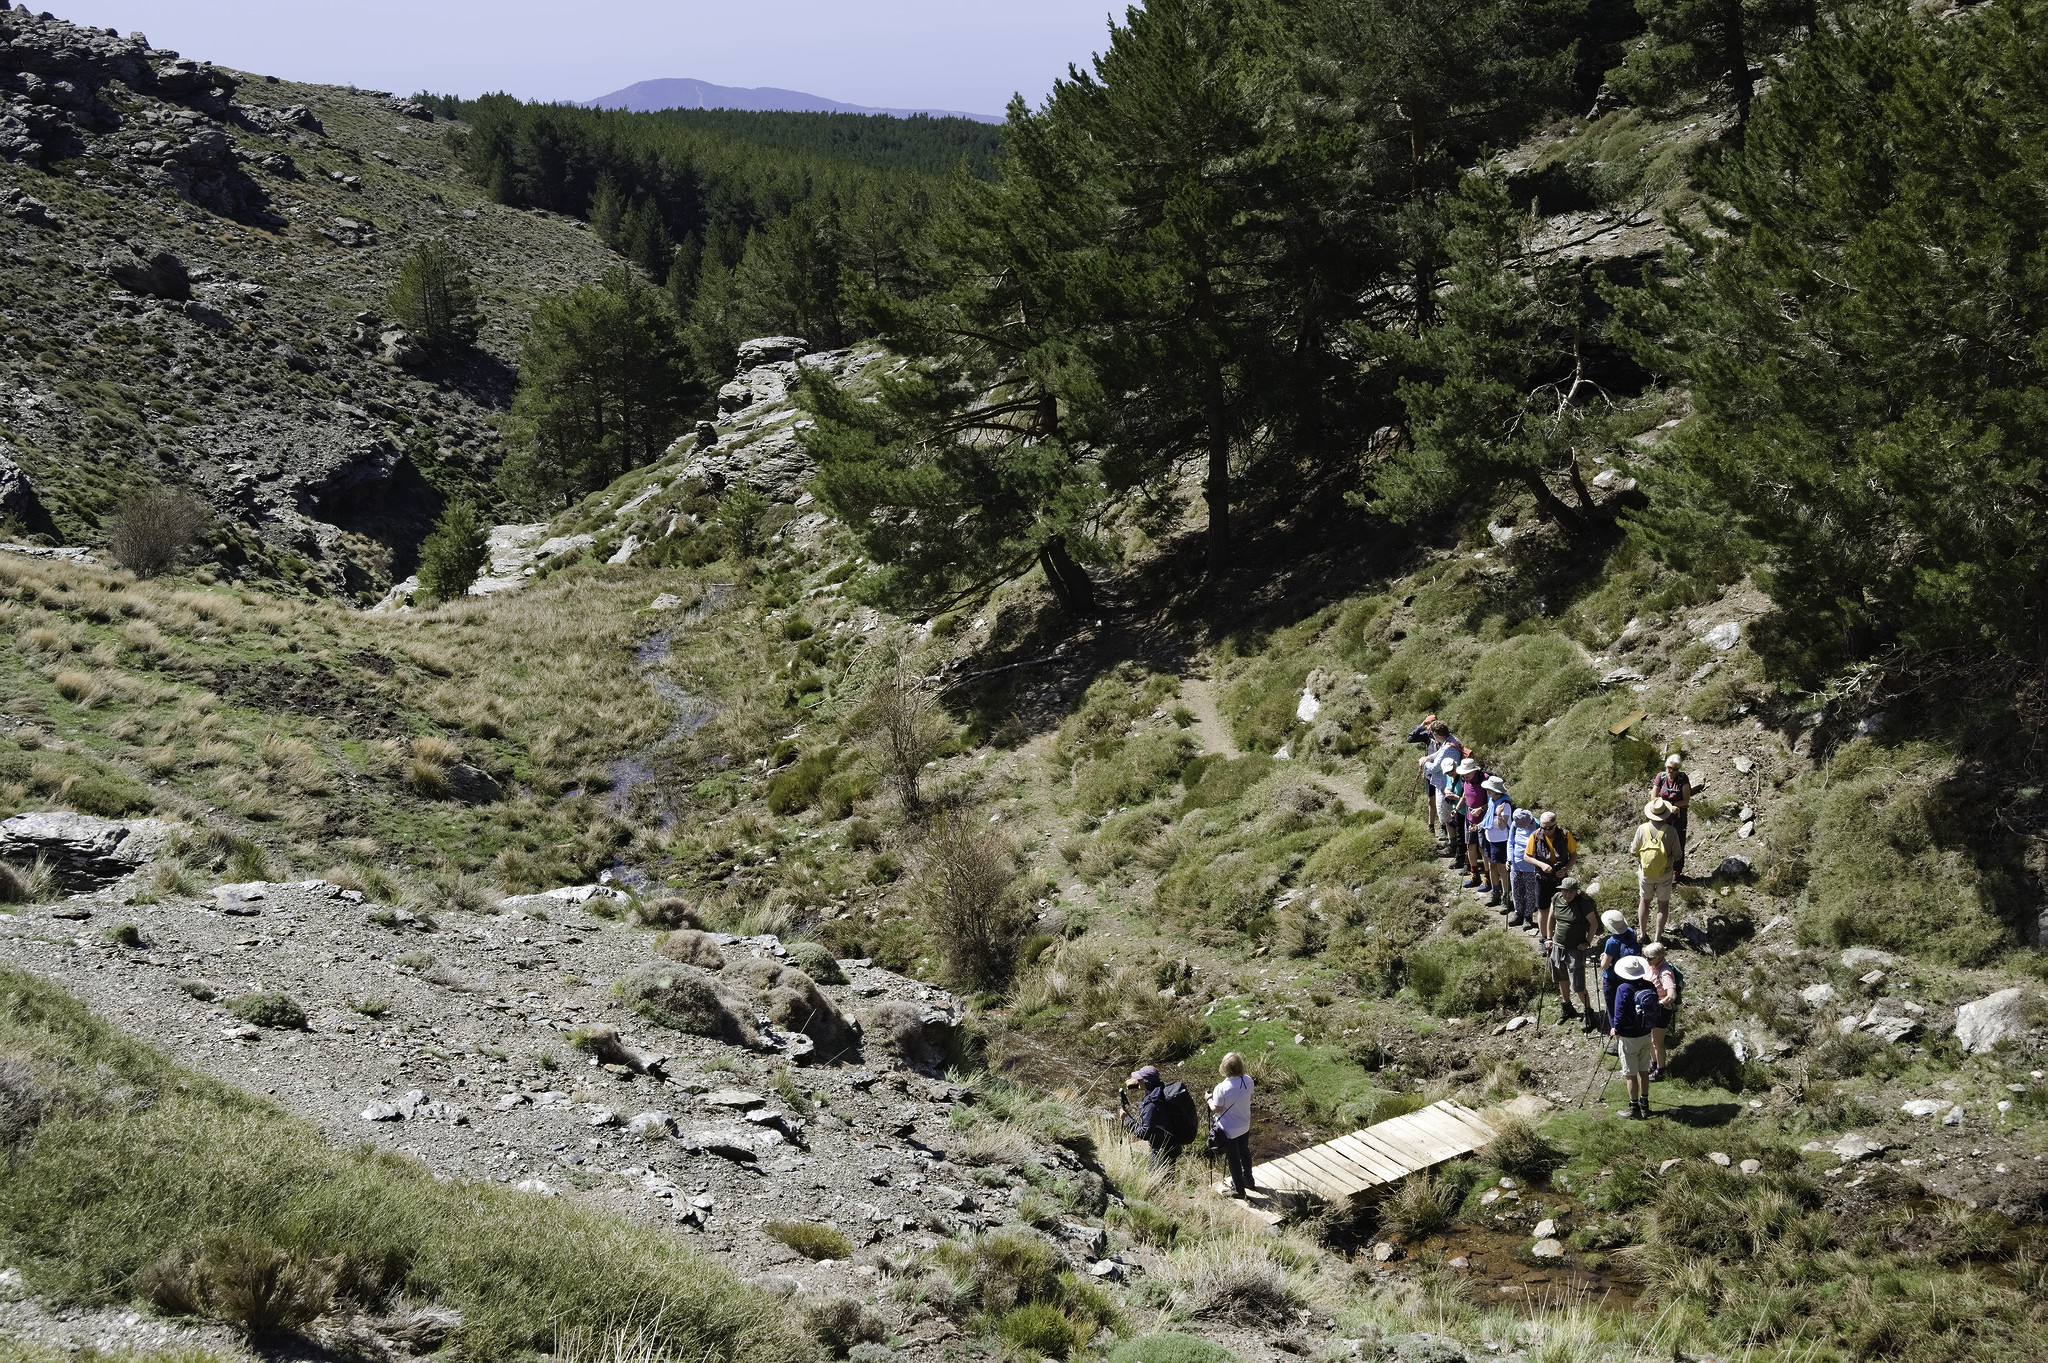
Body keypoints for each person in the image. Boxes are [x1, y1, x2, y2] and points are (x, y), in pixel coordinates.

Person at [1543, 876, 1598, 1028]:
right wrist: (1548, 938)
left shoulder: (1583, 904)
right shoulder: (1556, 898)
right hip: (1557, 945)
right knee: (1561, 977)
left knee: (1578, 983)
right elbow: (1551, 917)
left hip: (1575, 948)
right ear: (1561, 890)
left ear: (1576, 892)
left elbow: (1593, 924)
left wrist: (1587, 942)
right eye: (1565, 891)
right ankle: (1567, 1007)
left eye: (1571, 892)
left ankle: (1589, 1012)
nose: (1568, 895)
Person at [1611, 955, 1659, 1119]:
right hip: (1646, 1033)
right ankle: (1645, 1104)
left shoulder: (1623, 988)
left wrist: (1615, 1029)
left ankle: (1634, 1109)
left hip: (1629, 1037)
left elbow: (1619, 1013)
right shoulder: (1650, 985)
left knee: (1630, 1074)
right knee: (1643, 1070)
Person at [1630, 798, 1681, 943]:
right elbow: (1678, 855)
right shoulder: (1671, 831)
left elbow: (1634, 851)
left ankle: (1642, 934)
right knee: (1663, 905)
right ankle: (1658, 938)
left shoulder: (1642, 828)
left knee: (1644, 902)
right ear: (1665, 813)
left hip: (1645, 872)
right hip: (1665, 873)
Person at [1208, 1052, 1255, 1197]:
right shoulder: (1248, 1080)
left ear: (1225, 1068)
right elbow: (1250, 1098)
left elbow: (1216, 1108)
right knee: (1244, 1151)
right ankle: (1248, 1179)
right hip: (1245, 1124)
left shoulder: (1221, 1088)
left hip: (1229, 1130)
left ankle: (1239, 1189)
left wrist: (1209, 1099)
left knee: (1233, 1157)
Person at [1123, 1065, 1185, 1170]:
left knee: (1155, 1180)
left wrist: (1127, 1119)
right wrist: (1137, 1085)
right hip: (1172, 1144)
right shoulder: (1161, 1089)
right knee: (1168, 1179)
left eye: (1139, 1079)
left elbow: (1145, 1133)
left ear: (1147, 1082)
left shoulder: (1152, 1104)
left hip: (1162, 1149)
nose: (1137, 1081)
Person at [1523, 810, 1579, 921]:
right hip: (1542, 878)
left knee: (1560, 907)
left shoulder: (1565, 835)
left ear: (1555, 825)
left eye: (1549, 828)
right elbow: (1526, 856)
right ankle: (1544, 936)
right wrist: (1542, 865)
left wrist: (1565, 869)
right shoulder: (1535, 836)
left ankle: (1558, 933)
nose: (1546, 831)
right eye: (1543, 828)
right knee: (1543, 909)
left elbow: (1573, 855)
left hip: (1560, 878)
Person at [1643, 941, 1684, 1080]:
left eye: (1650, 958)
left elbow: (1671, 995)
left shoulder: (1665, 972)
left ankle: (1660, 1071)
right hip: (1651, 1008)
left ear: (1660, 957)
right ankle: (1654, 1064)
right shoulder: (1652, 967)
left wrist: (1660, 1003)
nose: (1646, 960)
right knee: (1650, 1040)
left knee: (1658, 1043)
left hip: (1661, 1011)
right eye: (1645, 957)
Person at [1598, 908, 1641, 1033]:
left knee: (1613, 1009)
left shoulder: (1612, 942)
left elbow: (1605, 966)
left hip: (1612, 979)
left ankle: (1617, 1037)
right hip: (1630, 976)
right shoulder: (1631, 933)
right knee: (1628, 1006)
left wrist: (1603, 957)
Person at [1653, 754, 1693, 880]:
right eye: (1669, 768)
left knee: (1679, 843)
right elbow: (1653, 797)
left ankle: (1676, 870)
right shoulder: (1661, 776)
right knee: (1661, 842)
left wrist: (1675, 805)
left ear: (1679, 769)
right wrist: (1668, 806)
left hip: (1679, 818)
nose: (1671, 771)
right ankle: (1662, 868)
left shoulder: (1683, 778)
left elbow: (1686, 800)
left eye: (1675, 769)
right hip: (1662, 816)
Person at [1480, 775, 1514, 910]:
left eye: (1489, 789)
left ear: (1495, 791)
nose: (1487, 791)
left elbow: (1502, 826)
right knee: (1492, 866)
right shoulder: (1491, 801)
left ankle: (1506, 896)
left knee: (1502, 870)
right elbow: (1488, 818)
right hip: (1490, 839)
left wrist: (1499, 815)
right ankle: (1495, 892)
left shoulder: (1504, 805)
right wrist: (1478, 825)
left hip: (1501, 841)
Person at [1505, 806, 1541, 928]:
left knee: (1530, 893)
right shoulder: (1515, 825)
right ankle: (1518, 913)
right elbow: (1510, 842)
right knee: (1516, 891)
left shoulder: (1537, 825)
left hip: (1531, 867)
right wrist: (1509, 858)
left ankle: (1528, 916)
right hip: (1515, 865)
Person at [1456, 758, 1487, 888]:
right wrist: (1457, 809)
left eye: (1467, 774)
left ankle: (1487, 877)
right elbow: (1464, 795)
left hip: (1483, 820)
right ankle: (1474, 874)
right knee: (1470, 846)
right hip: (1469, 818)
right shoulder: (1465, 780)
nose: (1464, 776)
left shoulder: (1485, 780)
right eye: (1463, 774)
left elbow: (1494, 801)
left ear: (1475, 770)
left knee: (1483, 849)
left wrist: (1481, 809)